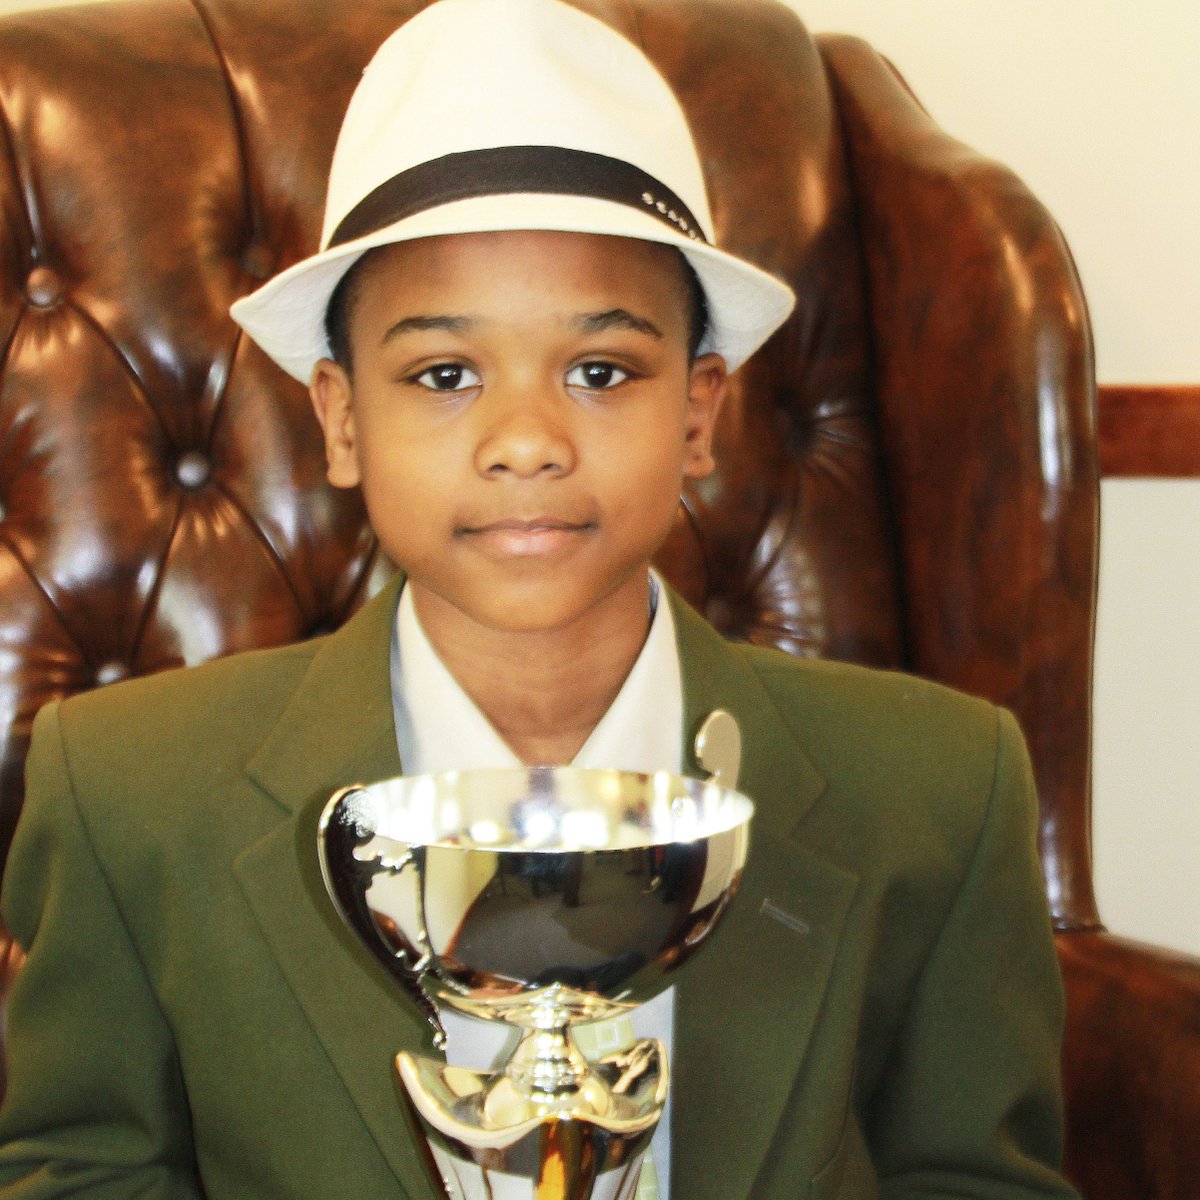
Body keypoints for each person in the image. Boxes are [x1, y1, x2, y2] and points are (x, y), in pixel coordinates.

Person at [0, 0, 1079, 1197]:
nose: (526, 440)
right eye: (444, 374)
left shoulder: (939, 790)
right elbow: (78, 1171)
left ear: (700, 412)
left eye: (600, 370)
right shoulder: (129, 794)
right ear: (343, 420)